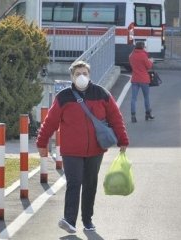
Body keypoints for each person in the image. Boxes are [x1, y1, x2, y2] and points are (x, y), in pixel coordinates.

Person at [36, 60, 129, 233]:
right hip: (71, 151)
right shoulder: (63, 97)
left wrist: (123, 140)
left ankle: (87, 220)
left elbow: (116, 117)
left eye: (84, 73)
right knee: (74, 182)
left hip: (95, 149)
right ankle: (69, 220)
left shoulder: (101, 93)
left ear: (89, 75)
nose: (81, 77)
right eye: (77, 74)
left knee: (90, 184)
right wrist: (42, 142)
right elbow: (50, 122)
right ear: (71, 76)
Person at [129, 41, 155, 123]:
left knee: (133, 98)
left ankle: (133, 115)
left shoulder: (131, 55)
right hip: (144, 79)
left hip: (135, 79)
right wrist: (151, 61)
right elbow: (149, 66)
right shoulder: (143, 55)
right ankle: (148, 114)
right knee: (146, 97)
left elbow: (132, 64)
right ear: (143, 47)